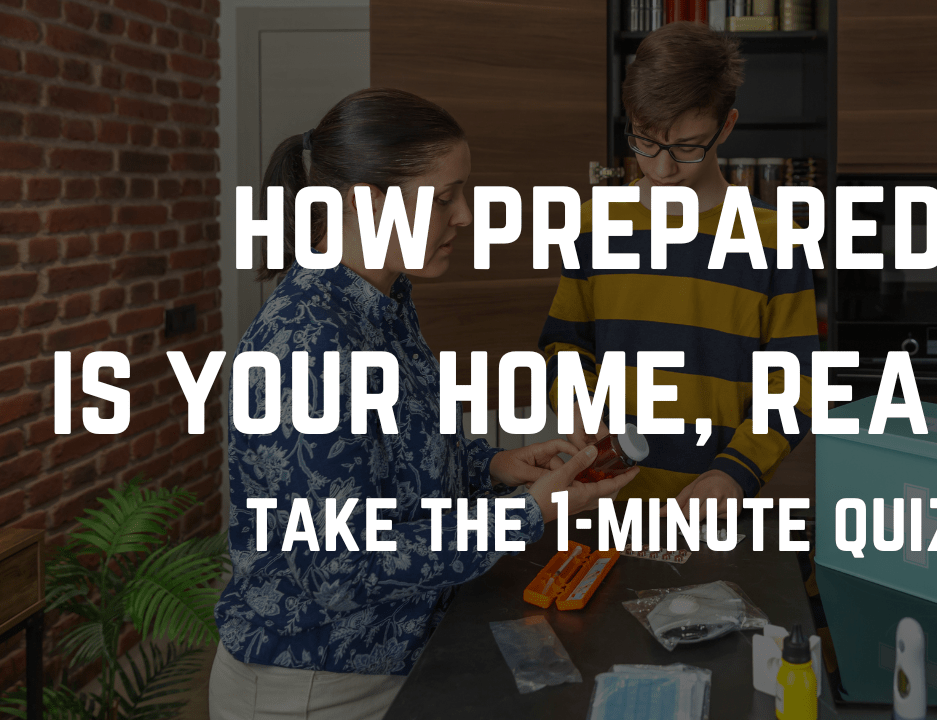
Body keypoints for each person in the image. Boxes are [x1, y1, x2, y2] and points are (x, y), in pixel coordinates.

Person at [209, 88, 635, 720]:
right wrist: (528, 513)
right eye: (443, 198)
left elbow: (397, 462)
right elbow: (338, 567)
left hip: (397, 656)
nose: (464, 216)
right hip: (317, 683)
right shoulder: (307, 347)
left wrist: (494, 466)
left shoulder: (384, 301)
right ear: (363, 202)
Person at [538, 22, 820, 512]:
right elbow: (564, 345)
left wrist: (735, 474)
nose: (663, 168)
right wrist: (580, 403)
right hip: (607, 500)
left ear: (726, 126)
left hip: (716, 505)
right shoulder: (592, 222)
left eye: (687, 146)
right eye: (645, 141)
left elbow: (795, 385)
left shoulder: (778, 239)